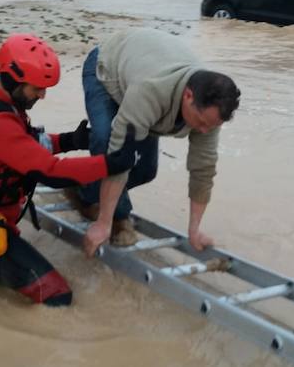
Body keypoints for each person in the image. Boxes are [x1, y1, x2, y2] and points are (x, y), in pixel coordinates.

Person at [0, 33, 139, 306]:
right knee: (58, 296)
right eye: (37, 89)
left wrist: (70, 140)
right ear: (13, 80)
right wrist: (110, 164)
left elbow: (26, 146)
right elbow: (51, 172)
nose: (43, 95)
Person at [74, 29, 240, 257]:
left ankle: (85, 191)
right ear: (188, 96)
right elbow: (120, 154)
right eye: (201, 122)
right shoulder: (151, 90)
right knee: (106, 141)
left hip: (143, 68)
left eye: (210, 126)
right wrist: (104, 223)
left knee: (145, 170)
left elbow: (203, 169)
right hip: (106, 68)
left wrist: (194, 230)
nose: (203, 131)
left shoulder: (210, 114)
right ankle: (117, 215)